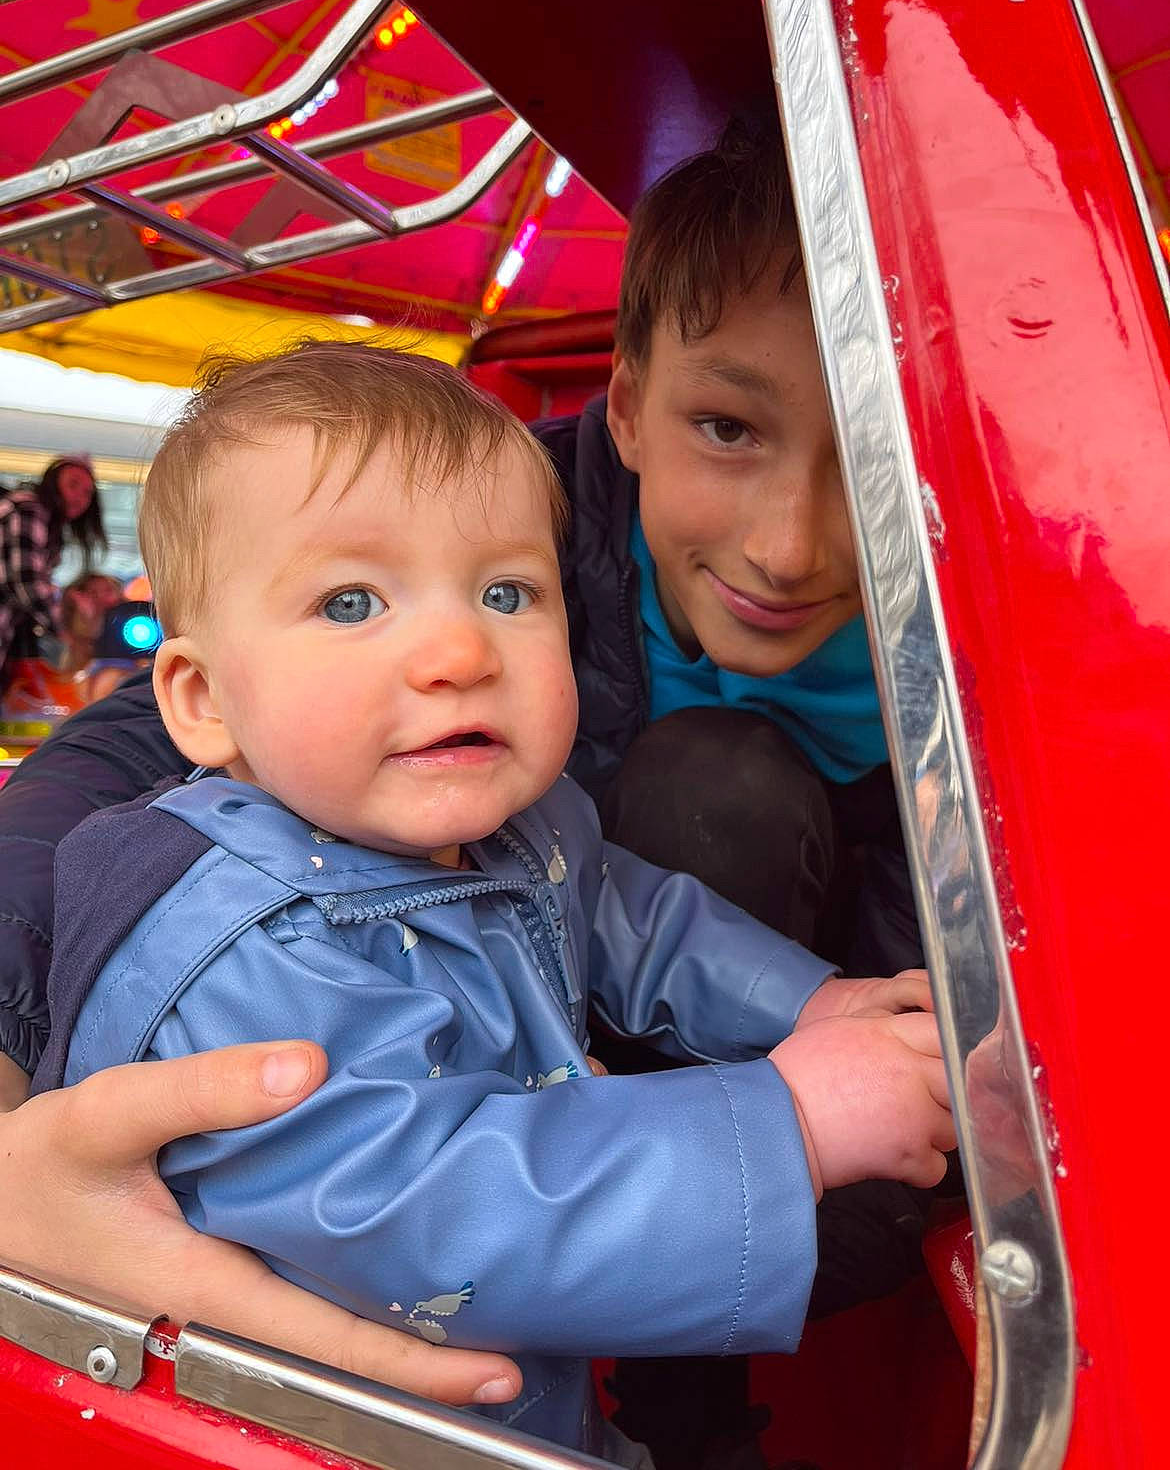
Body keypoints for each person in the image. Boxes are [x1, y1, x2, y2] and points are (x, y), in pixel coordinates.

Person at [0, 121, 933, 1437]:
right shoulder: (246, 952)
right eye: (350, 605)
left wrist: (816, 1005)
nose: (456, 653)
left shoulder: (514, 819)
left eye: (505, 595)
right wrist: (787, 1118)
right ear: (203, 702)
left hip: (561, 1352)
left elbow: (637, 915)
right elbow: (433, 1209)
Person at [0, 456, 106, 690]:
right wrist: (63, 630)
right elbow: (26, 581)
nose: (79, 497)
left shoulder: (40, 520)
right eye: (73, 484)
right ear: (52, 483)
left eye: (87, 493)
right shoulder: (29, 509)